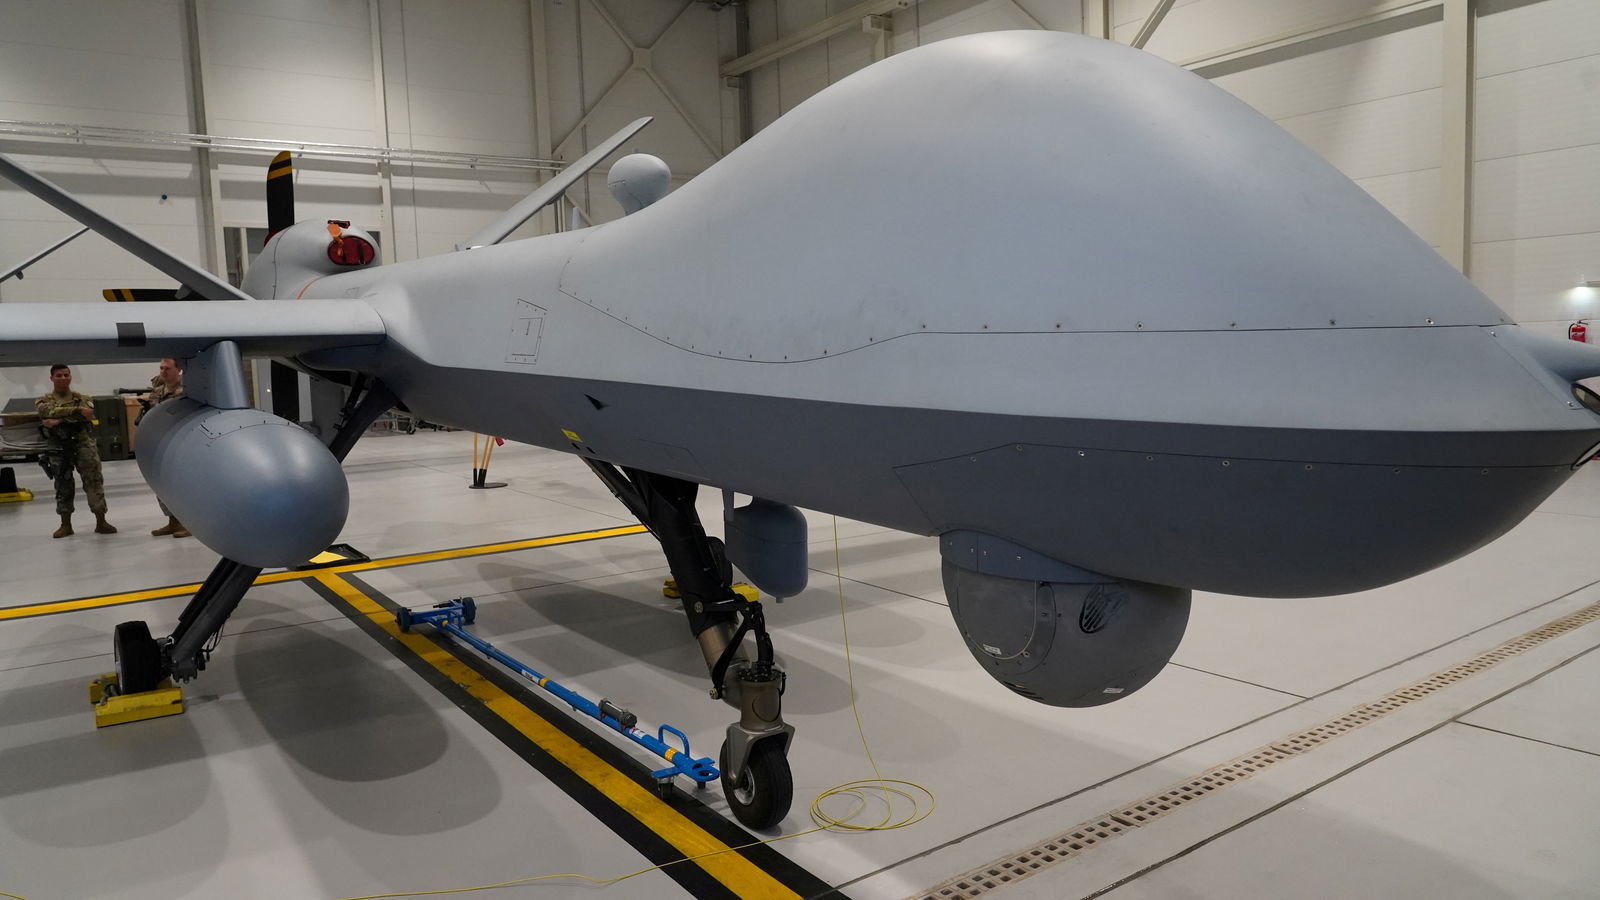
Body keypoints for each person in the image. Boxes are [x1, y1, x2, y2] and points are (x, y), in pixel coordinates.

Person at [35, 363, 115, 538]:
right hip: (58, 446)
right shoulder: (43, 400)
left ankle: (101, 521)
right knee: (63, 484)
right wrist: (76, 412)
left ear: (70, 377)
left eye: (66, 375)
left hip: (83, 444)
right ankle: (66, 524)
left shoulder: (83, 398)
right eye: (59, 375)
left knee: (93, 481)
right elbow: (46, 412)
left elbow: (87, 413)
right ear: (52, 378)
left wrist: (59, 419)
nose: (63, 378)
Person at [143, 358, 189, 538]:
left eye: (167, 368)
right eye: (161, 368)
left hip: (182, 441)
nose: (163, 372)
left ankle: (188, 523)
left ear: (178, 370)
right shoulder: (157, 392)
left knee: (181, 485)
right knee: (161, 483)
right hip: (161, 441)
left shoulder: (188, 390)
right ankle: (172, 521)